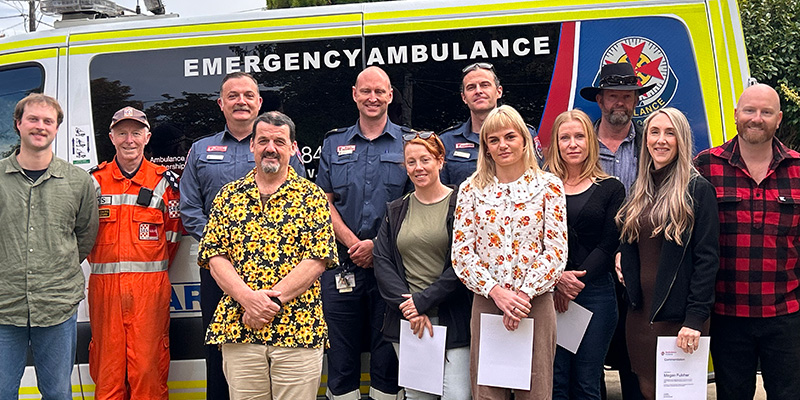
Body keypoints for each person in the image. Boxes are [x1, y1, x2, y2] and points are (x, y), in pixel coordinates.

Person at [179, 72, 306, 399]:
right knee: (219, 349)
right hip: (219, 271)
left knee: (276, 348)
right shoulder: (200, 149)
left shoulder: (281, 146)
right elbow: (190, 208)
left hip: (278, 271)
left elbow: (302, 200)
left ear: (259, 102)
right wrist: (227, 249)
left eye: (248, 95)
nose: (241, 101)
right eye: (233, 96)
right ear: (221, 103)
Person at [198, 111, 337, 400]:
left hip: (298, 331)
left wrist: (266, 304)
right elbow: (214, 256)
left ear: (293, 148)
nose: (270, 147)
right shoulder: (228, 196)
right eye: (263, 140)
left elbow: (317, 260)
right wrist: (248, 300)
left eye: (279, 141)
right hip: (240, 331)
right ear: (252, 145)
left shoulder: (312, 197)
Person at [452, 105, 567, 399]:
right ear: (486, 147)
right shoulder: (470, 190)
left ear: (524, 140)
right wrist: (497, 293)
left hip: (535, 303)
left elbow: (555, 250)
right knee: (488, 392)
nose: (502, 145)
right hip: (489, 301)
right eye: (494, 140)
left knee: (536, 390)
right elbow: (462, 253)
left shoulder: (549, 187)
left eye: (510, 137)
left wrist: (524, 295)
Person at [695, 83, 800, 400]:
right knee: (732, 394)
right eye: (750, 110)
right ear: (736, 114)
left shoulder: (798, 169)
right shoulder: (705, 167)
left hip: (786, 314)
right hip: (728, 314)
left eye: (766, 112)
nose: (757, 118)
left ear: (778, 118)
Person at [316, 66, 412, 400]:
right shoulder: (333, 143)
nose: (373, 98)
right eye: (365, 91)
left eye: (379, 91)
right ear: (355, 94)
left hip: (393, 267)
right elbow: (323, 202)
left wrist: (377, 245)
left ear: (390, 95)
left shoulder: (411, 142)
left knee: (388, 358)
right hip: (341, 263)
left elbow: (417, 202)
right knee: (341, 358)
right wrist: (354, 243)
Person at [615, 107, 719, 400]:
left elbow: (707, 260)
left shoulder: (698, 190)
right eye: (654, 132)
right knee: (646, 390)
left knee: (677, 395)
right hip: (639, 315)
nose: (661, 140)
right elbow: (633, 241)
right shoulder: (640, 188)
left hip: (678, 318)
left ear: (682, 139)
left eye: (669, 132)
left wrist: (695, 320)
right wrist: (622, 256)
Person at [0, 93, 99, 399]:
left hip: (57, 304)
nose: (40, 127)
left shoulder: (78, 182)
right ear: (18, 124)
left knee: (57, 392)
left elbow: (84, 237)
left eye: (48, 121)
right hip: (3, 307)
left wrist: (53, 266)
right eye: (33, 119)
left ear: (57, 129)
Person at [86, 106, 182, 400]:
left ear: (147, 137)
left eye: (136, 133)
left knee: (147, 374)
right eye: (123, 133)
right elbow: (83, 234)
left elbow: (172, 237)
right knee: (108, 375)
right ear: (112, 137)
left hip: (149, 292)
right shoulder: (93, 182)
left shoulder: (164, 183)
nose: (130, 139)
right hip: (105, 293)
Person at [373, 131, 472, 400]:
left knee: (458, 396)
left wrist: (423, 301)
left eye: (425, 159)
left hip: (453, 317)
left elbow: (465, 263)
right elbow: (382, 263)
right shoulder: (395, 210)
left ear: (440, 161)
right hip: (410, 321)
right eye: (411, 162)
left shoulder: (462, 205)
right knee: (419, 397)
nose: (418, 168)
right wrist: (411, 308)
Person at [579, 61, 655, 400]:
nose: (620, 103)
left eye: (627, 96)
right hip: (590, 266)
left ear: (636, 100)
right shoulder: (578, 145)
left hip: (641, 262)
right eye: (613, 96)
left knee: (635, 359)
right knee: (587, 361)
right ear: (600, 100)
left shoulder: (652, 146)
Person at [545, 109, 625, 400]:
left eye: (579, 136)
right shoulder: (541, 187)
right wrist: (557, 280)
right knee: (557, 381)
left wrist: (574, 282)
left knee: (587, 383)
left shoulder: (611, 188)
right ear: (555, 143)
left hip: (596, 295)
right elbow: (534, 241)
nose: (573, 144)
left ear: (591, 141)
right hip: (549, 293)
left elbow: (608, 244)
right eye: (564, 138)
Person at [440, 62, 542, 186]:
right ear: (464, 97)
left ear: (499, 91)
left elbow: (539, 180)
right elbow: (441, 193)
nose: (478, 91)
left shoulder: (523, 133)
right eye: (471, 87)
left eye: (485, 85)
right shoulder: (447, 141)